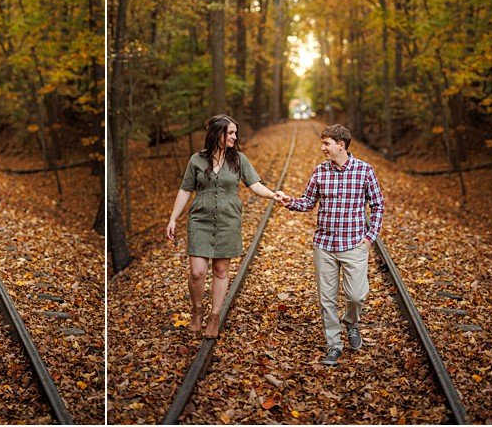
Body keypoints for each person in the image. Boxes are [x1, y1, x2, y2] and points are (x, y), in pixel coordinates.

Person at [164, 114, 286, 338]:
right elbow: (185, 190)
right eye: (230, 133)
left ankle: (214, 316)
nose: (234, 137)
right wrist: (173, 218)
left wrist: (273, 195)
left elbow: (255, 184)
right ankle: (197, 310)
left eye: (234, 133)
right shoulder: (196, 160)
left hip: (228, 220)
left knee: (221, 270)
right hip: (200, 220)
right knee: (197, 272)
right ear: (216, 134)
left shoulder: (238, 159)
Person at [279, 124, 384, 367]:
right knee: (327, 300)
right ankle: (334, 345)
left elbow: (377, 205)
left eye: (326, 143)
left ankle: (352, 323)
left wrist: (370, 238)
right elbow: (307, 202)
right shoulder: (319, 172)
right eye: (322, 143)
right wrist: (288, 201)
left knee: (356, 296)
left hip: (354, 244)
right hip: (324, 245)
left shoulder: (365, 171)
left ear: (341, 144)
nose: (322, 148)